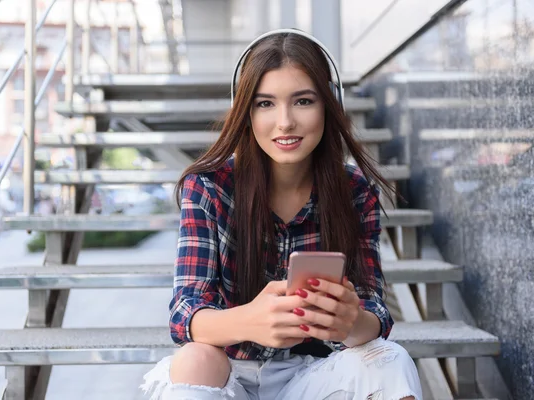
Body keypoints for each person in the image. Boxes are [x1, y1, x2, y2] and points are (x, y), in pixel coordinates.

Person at [141, 29, 422, 400]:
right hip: (230, 372)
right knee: (195, 359)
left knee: (392, 360)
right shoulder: (209, 187)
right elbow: (184, 313)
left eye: (303, 101)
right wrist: (251, 321)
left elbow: (375, 312)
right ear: (245, 112)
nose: (285, 122)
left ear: (327, 105)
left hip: (316, 373)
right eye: (265, 104)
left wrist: (350, 322)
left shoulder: (354, 190)